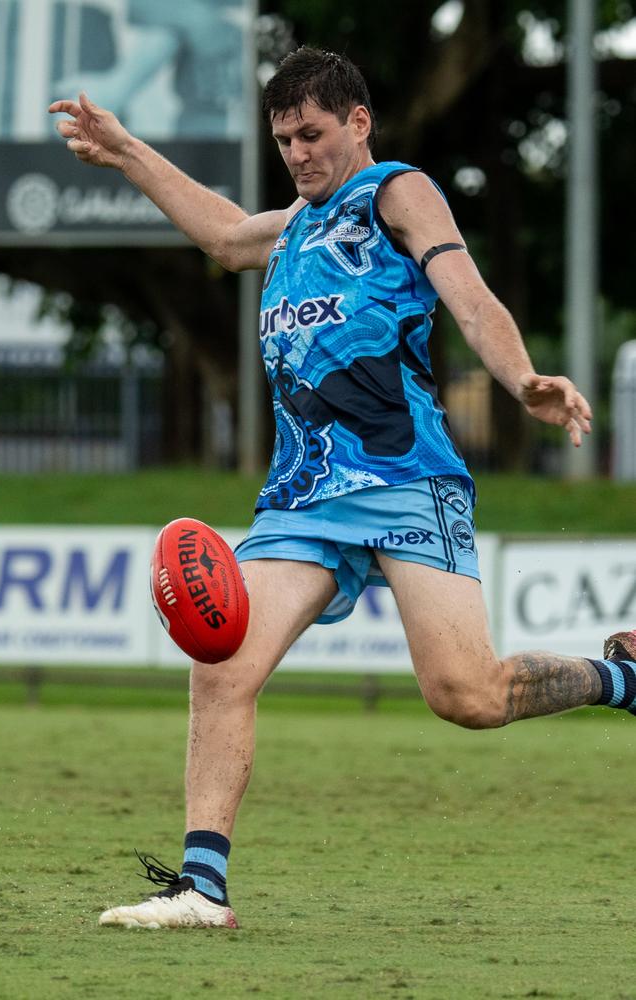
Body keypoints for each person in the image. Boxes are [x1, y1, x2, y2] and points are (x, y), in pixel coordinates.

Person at [50, 47, 636, 931]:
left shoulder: (397, 193)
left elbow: (468, 294)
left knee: (465, 696)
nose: (297, 152)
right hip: (303, 495)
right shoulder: (291, 227)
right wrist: (127, 150)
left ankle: (621, 679)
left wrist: (522, 382)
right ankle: (201, 889)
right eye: (283, 138)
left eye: (312, 134)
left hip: (406, 479)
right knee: (222, 663)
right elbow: (217, 232)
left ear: (359, 123)